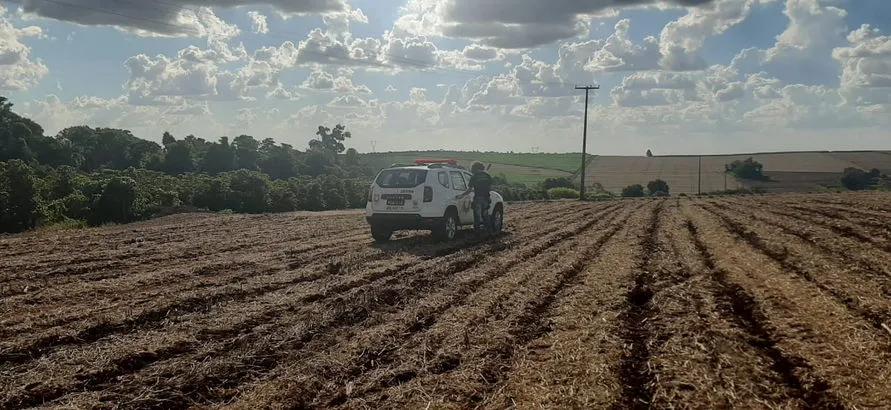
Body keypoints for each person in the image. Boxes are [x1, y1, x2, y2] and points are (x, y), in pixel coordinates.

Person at [458, 162, 493, 235]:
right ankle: (489, 231)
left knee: (477, 216)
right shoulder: (487, 175)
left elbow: (469, 190)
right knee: (485, 215)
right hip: (486, 198)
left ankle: (477, 233)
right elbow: (490, 188)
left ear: (474, 168)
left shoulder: (474, 177)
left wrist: (462, 195)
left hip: (478, 198)